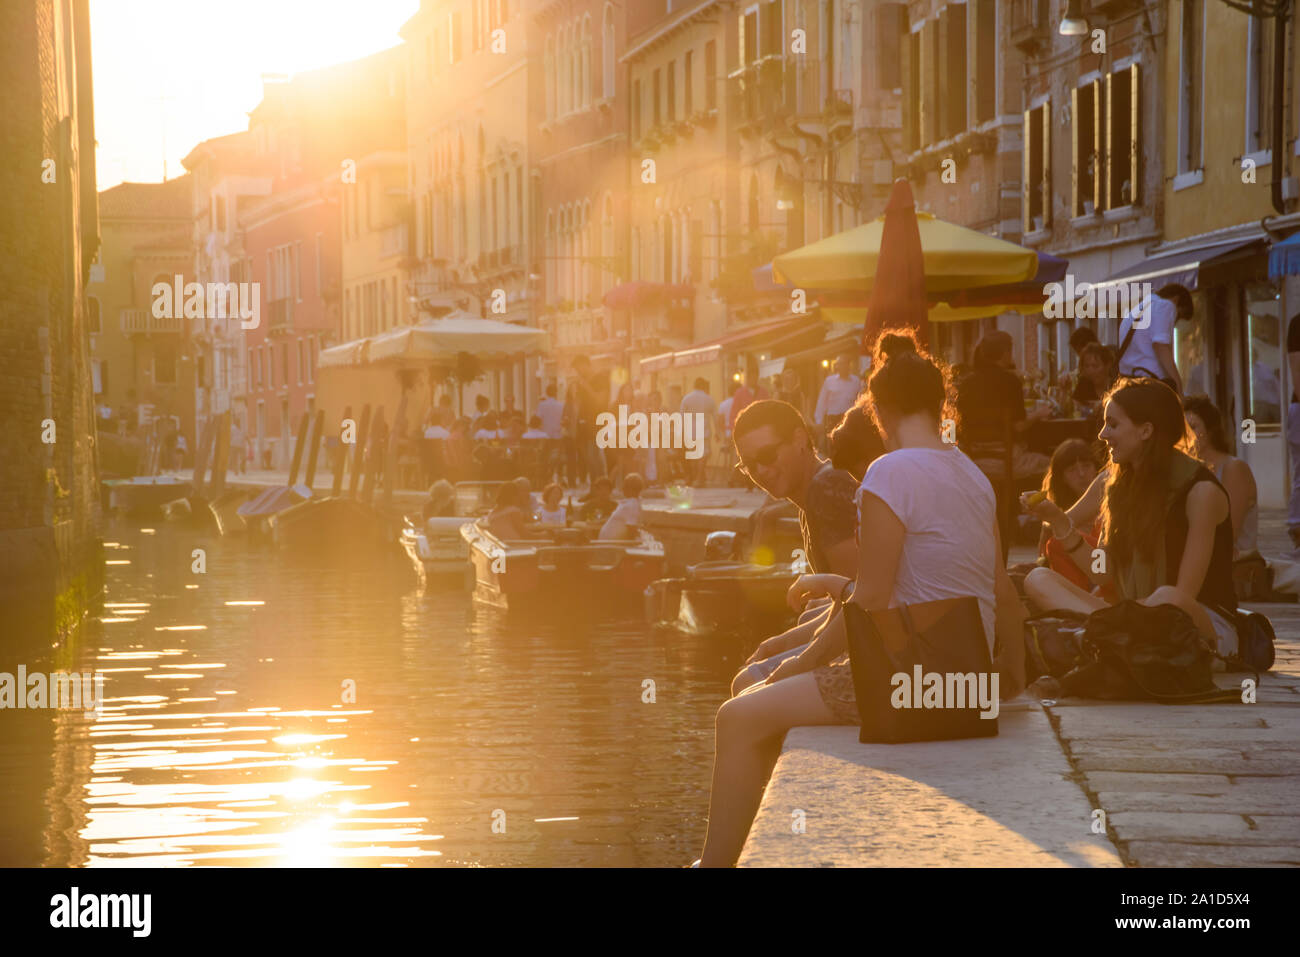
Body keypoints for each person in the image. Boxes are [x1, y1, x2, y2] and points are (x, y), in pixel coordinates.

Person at [694, 345, 1027, 867]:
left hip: (913, 682)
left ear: (879, 409)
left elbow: (869, 598)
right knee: (759, 699)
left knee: (735, 717)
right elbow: (1003, 593)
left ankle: (715, 865)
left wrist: (797, 663)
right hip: (969, 684)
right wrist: (1006, 681)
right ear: (941, 403)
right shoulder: (974, 476)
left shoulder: (889, 474)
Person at [1022, 378, 1241, 659]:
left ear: (1146, 431)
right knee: (1038, 579)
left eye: (1112, 425)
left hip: (1200, 625)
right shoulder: (1118, 487)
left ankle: (1098, 634)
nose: (1102, 435)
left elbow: (1183, 599)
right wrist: (1060, 522)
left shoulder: (1200, 492)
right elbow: (1102, 572)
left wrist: (1120, 612)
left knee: (1167, 597)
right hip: (1132, 617)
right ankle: (1108, 634)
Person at [730, 400, 864, 693]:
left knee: (746, 683)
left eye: (767, 455)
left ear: (800, 439)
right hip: (869, 637)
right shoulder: (814, 493)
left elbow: (859, 604)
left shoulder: (825, 491)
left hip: (882, 657)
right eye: (748, 465)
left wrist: (801, 661)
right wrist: (780, 643)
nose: (760, 470)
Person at [957, 330, 1051, 480]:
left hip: (972, 459)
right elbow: (1018, 426)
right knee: (1052, 463)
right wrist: (1039, 414)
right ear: (1005, 353)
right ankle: (1022, 501)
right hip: (1007, 460)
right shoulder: (1011, 382)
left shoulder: (966, 383)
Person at [1184, 395, 1259, 560]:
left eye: (1193, 427)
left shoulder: (1234, 468)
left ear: (1210, 431)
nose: (1187, 435)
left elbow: (1229, 532)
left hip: (1235, 564)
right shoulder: (1188, 470)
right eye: (1183, 428)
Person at [1032, 439, 1108, 594]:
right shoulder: (1060, 507)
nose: (1081, 474)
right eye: (1072, 470)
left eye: (1086, 466)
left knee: (1057, 543)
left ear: (1096, 467)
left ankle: (1078, 600)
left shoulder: (1105, 487)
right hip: (1094, 572)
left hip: (1105, 568)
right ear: (1062, 478)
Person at [1115, 283, 1195, 391]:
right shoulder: (1166, 305)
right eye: (1178, 315)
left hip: (1127, 381)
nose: (1175, 321)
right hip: (1151, 382)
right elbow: (1160, 346)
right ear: (1176, 300)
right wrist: (1178, 384)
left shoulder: (1137, 310)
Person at [813, 351, 863, 446]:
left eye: (842, 364)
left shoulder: (856, 381)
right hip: (833, 419)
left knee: (849, 444)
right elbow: (822, 401)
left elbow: (859, 400)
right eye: (838, 364)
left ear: (848, 365)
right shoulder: (829, 381)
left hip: (849, 418)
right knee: (834, 445)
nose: (839, 366)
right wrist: (818, 420)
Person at [680, 378, 716, 487]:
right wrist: (718, 432)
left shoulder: (686, 399)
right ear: (704, 386)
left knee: (693, 456)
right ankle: (699, 478)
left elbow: (681, 416)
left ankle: (695, 477)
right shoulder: (709, 399)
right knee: (702, 456)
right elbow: (715, 417)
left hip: (690, 431)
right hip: (703, 430)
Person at [598, 472, 644, 540]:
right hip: (608, 543)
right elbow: (631, 530)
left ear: (632, 489)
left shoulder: (632, 505)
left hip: (609, 542)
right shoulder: (630, 504)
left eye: (625, 486)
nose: (622, 488)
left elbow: (631, 529)